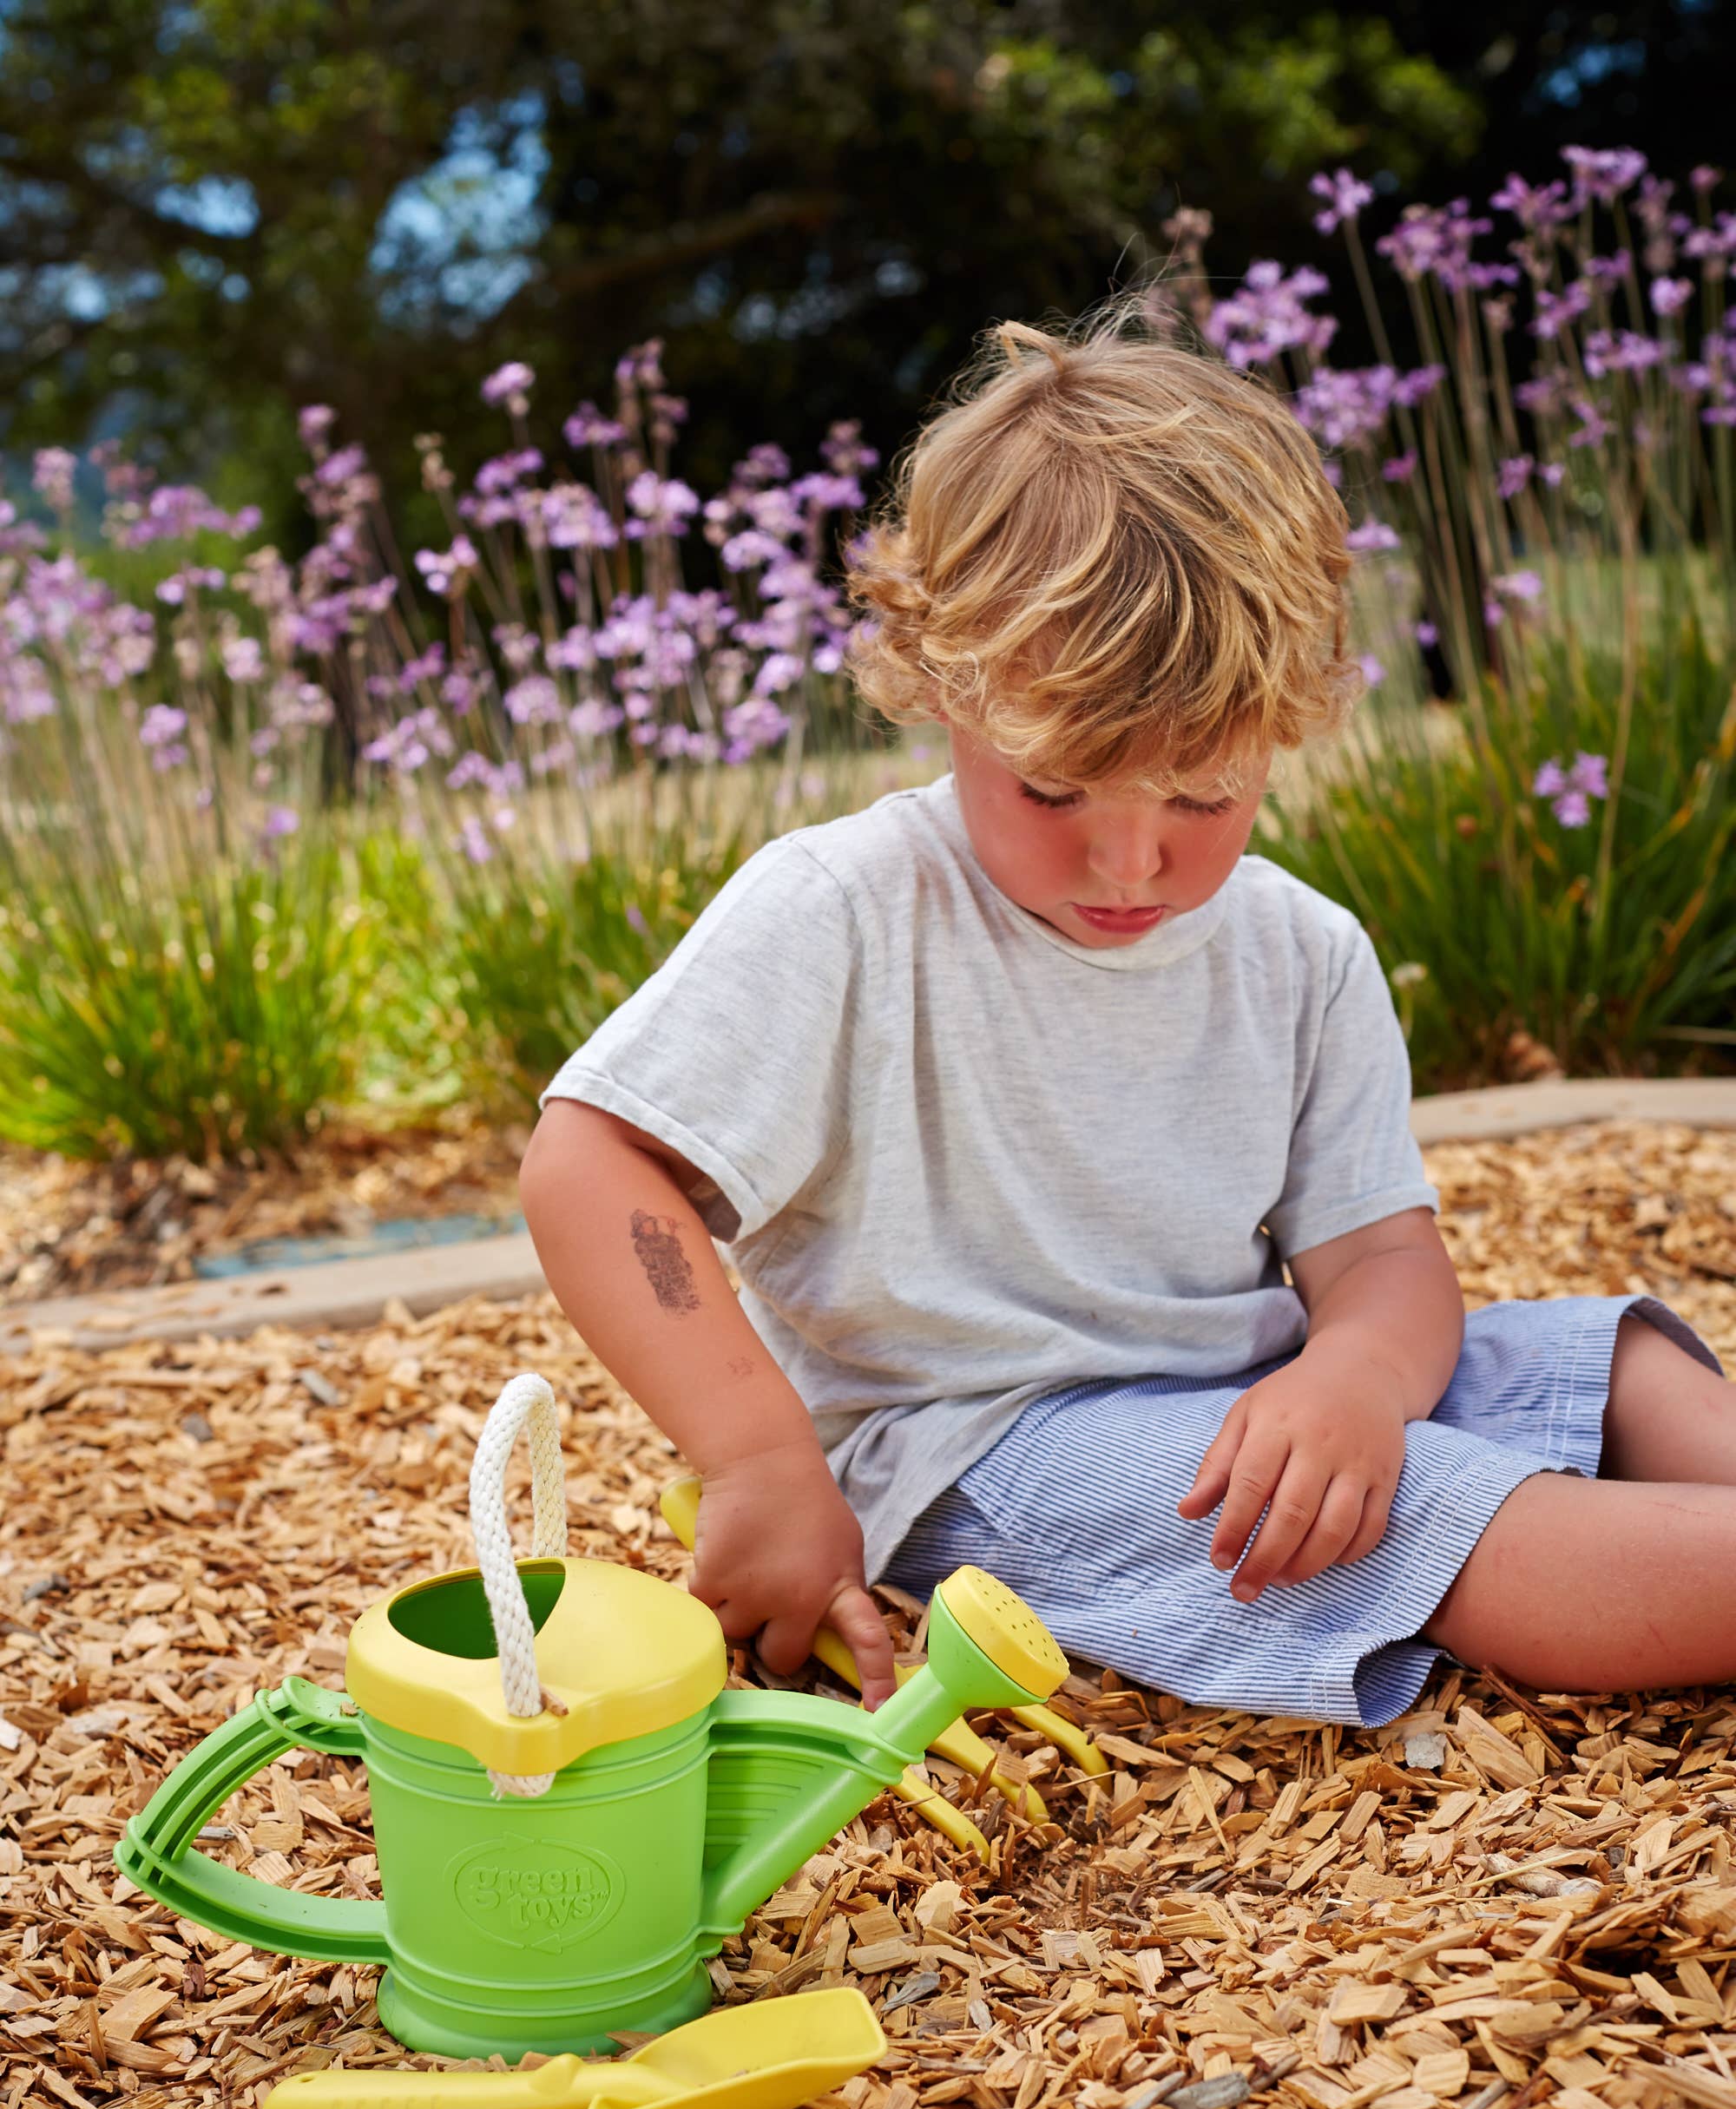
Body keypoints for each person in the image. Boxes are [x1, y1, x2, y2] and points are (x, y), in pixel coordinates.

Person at [520, 305, 1735, 1730]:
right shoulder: (844, 911)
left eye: (1204, 797)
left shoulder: (1301, 950)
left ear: (1288, 726)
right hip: (985, 1444)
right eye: (1053, 791)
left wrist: (1352, 1373)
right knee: (1445, 1519)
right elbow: (591, 1165)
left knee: (1616, 1359)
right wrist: (757, 1460)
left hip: (1257, 1388)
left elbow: (1383, 1259)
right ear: (940, 687)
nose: (1131, 862)